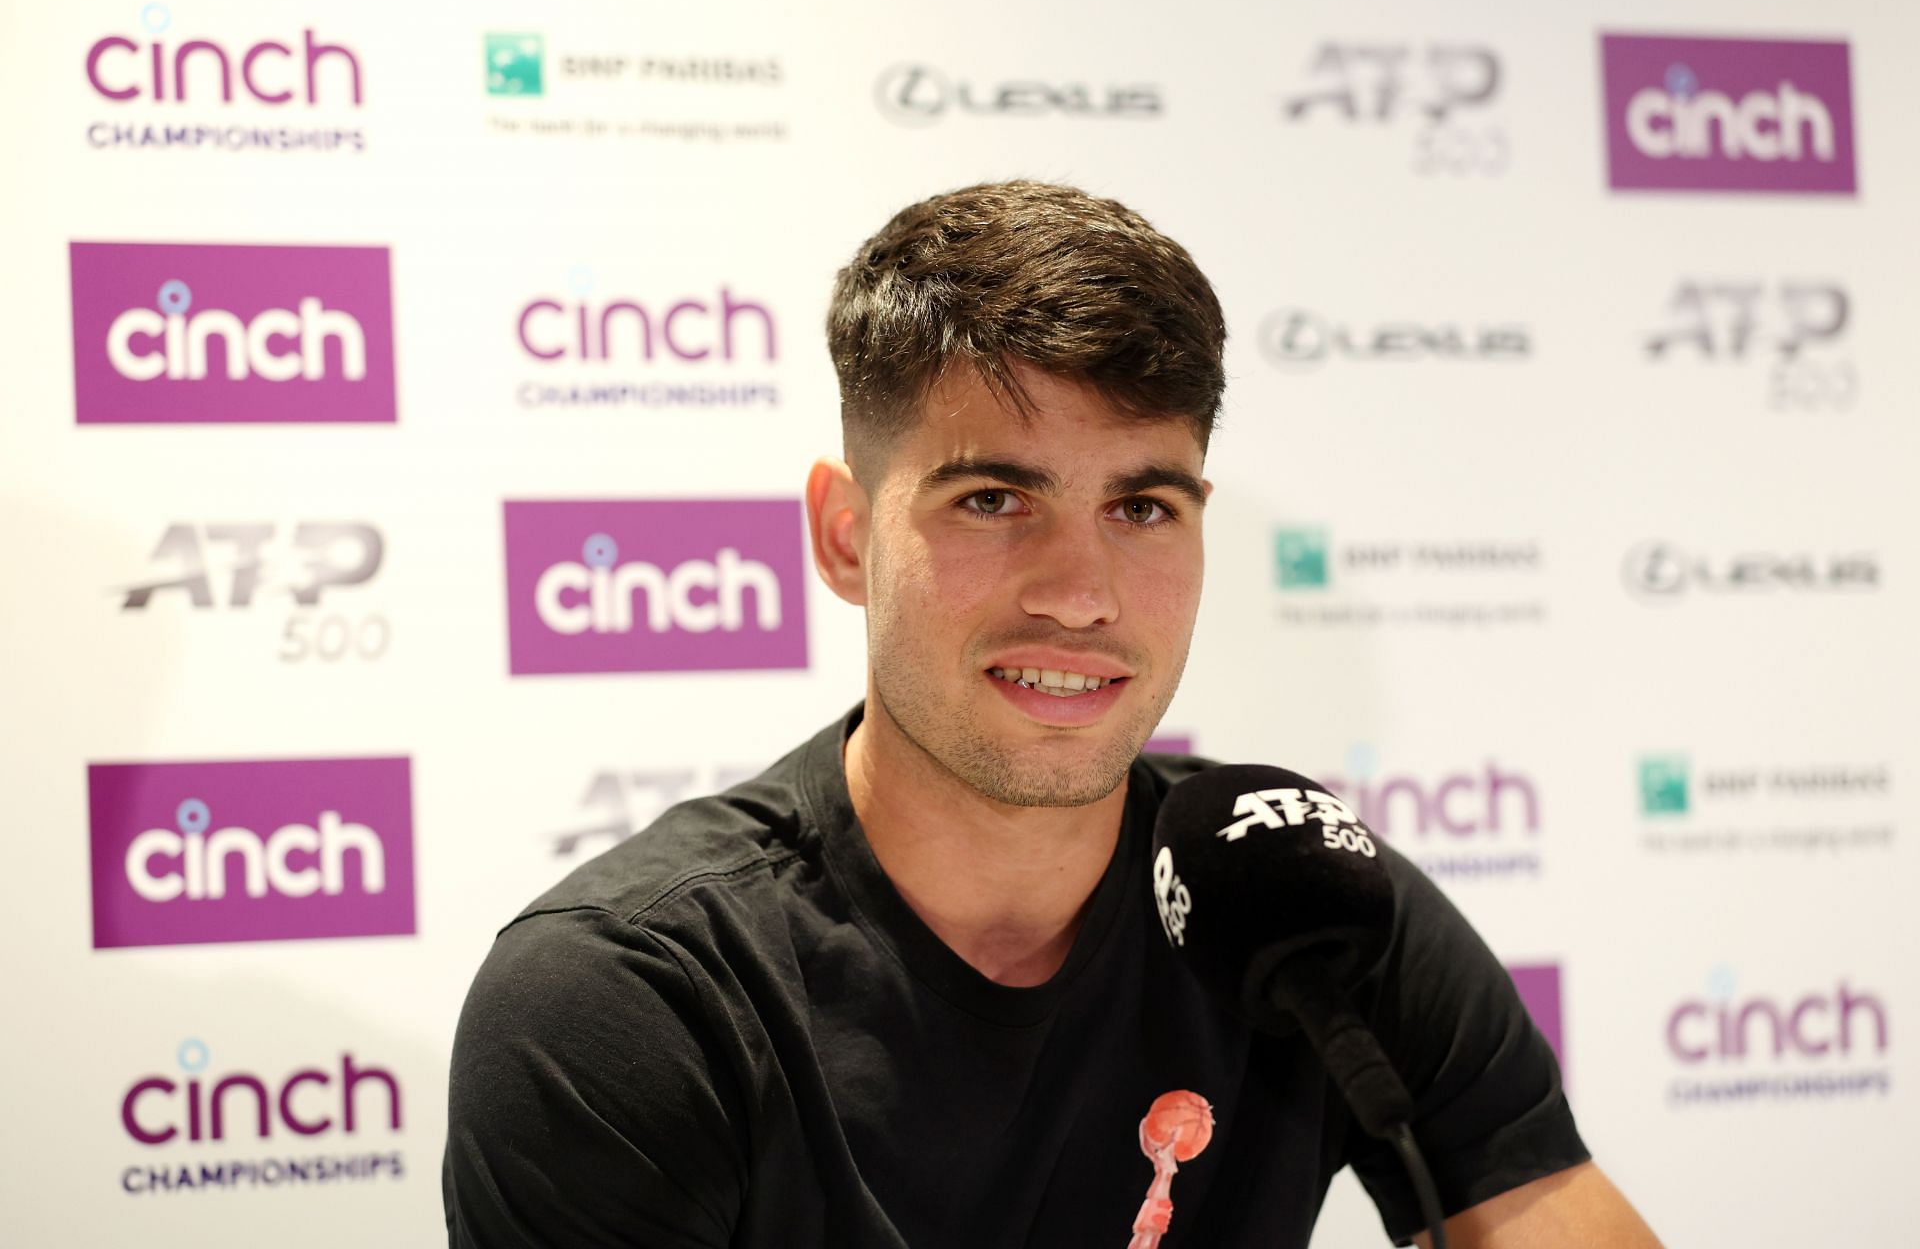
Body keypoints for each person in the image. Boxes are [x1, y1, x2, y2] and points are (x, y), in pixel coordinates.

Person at [444, 180, 1663, 1248]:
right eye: (991, 497)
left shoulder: (1291, 896)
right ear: (845, 533)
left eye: (1142, 508)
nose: (1081, 594)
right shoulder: (630, 996)